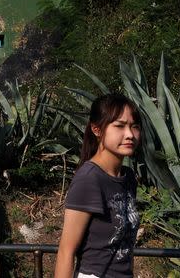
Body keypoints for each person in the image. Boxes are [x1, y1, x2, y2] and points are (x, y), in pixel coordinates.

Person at [54, 93, 142, 278]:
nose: (129, 135)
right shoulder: (89, 179)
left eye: (134, 126)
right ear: (97, 129)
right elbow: (66, 252)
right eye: (119, 126)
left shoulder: (128, 177)